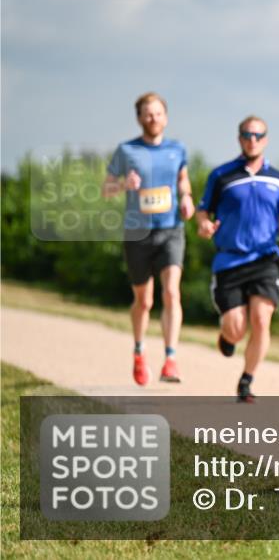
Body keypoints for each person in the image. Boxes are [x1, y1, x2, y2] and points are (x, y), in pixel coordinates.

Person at [195, 116, 279, 402]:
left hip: (265, 259)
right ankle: (228, 337)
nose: (252, 140)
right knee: (236, 328)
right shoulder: (222, 176)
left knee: (261, 319)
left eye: (258, 135)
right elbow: (204, 210)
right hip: (230, 260)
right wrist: (204, 225)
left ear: (265, 139)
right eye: (247, 135)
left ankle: (247, 381)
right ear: (239, 138)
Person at [103, 92, 195, 386]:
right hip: (137, 232)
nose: (153, 118)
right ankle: (140, 352)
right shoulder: (126, 150)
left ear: (165, 117)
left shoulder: (177, 149)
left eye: (158, 113)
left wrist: (187, 198)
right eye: (147, 114)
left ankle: (170, 359)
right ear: (139, 118)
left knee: (171, 292)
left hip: (171, 229)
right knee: (144, 301)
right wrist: (122, 185)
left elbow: (182, 180)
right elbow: (106, 190)